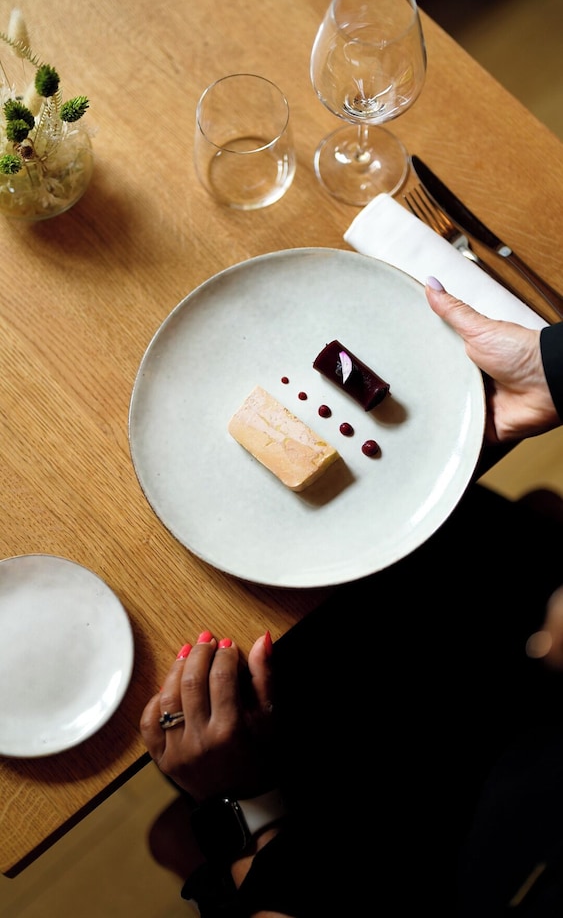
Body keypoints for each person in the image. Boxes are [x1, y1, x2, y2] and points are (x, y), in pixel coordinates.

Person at [140, 278, 563, 918]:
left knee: (170, 830)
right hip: (514, 630)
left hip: (381, 819)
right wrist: (551, 371)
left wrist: (246, 804)